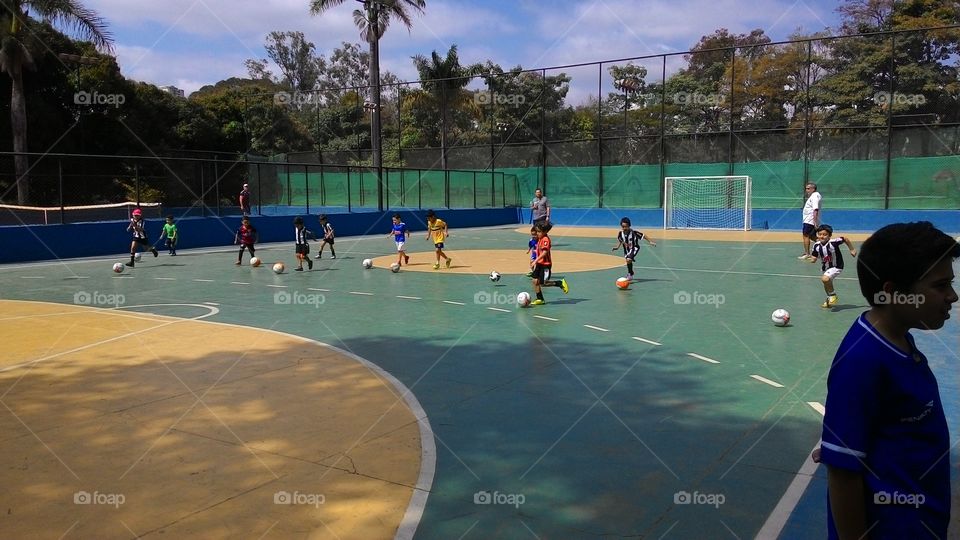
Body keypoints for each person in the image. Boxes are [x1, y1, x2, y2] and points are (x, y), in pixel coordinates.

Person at [818, 221, 958, 539]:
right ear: (894, 293)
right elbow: (842, 473)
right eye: (940, 286)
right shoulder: (863, 360)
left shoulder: (898, 338)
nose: (952, 296)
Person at [808, 224, 857, 308]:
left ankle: (833, 295)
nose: (822, 236)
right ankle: (829, 300)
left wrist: (852, 249)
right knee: (826, 283)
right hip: (825, 268)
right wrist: (812, 259)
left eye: (824, 234)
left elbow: (845, 239)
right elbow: (814, 258)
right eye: (820, 234)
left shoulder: (833, 242)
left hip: (837, 266)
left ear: (829, 236)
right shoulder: (816, 245)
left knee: (825, 278)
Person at [529, 222, 568, 305]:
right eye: (537, 231)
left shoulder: (545, 239)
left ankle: (560, 283)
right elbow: (539, 250)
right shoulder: (540, 238)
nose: (537, 233)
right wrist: (534, 257)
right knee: (535, 281)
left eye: (539, 232)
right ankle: (540, 299)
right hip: (539, 264)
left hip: (545, 265)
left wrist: (535, 260)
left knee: (544, 283)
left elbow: (545, 252)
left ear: (545, 232)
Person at [799, 182, 821, 260]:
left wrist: (815, 222)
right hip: (808, 220)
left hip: (809, 220)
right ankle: (825, 248)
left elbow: (815, 209)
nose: (806, 190)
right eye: (806, 188)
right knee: (812, 236)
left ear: (813, 189)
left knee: (806, 235)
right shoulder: (814, 196)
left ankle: (807, 254)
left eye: (808, 188)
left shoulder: (815, 196)